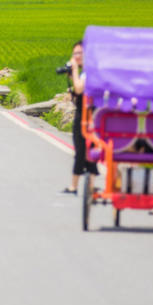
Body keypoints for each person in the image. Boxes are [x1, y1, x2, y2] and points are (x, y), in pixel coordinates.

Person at [64, 40, 98, 193]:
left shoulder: (89, 72)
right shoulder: (88, 72)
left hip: (87, 115)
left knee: (83, 149)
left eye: (79, 53)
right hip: (84, 113)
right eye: (75, 53)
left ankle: (75, 185)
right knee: (85, 149)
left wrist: (75, 70)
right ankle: (86, 184)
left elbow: (79, 89)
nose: (76, 56)